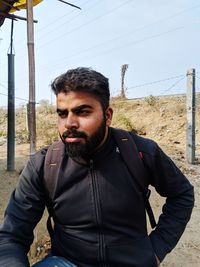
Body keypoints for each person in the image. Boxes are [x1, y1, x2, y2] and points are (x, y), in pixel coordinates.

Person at [0, 67, 194, 267]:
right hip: (67, 262)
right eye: (62, 113)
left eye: (82, 112)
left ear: (108, 116)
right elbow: (11, 236)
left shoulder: (140, 152)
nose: (69, 123)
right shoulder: (45, 164)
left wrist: (156, 249)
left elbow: (182, 194)